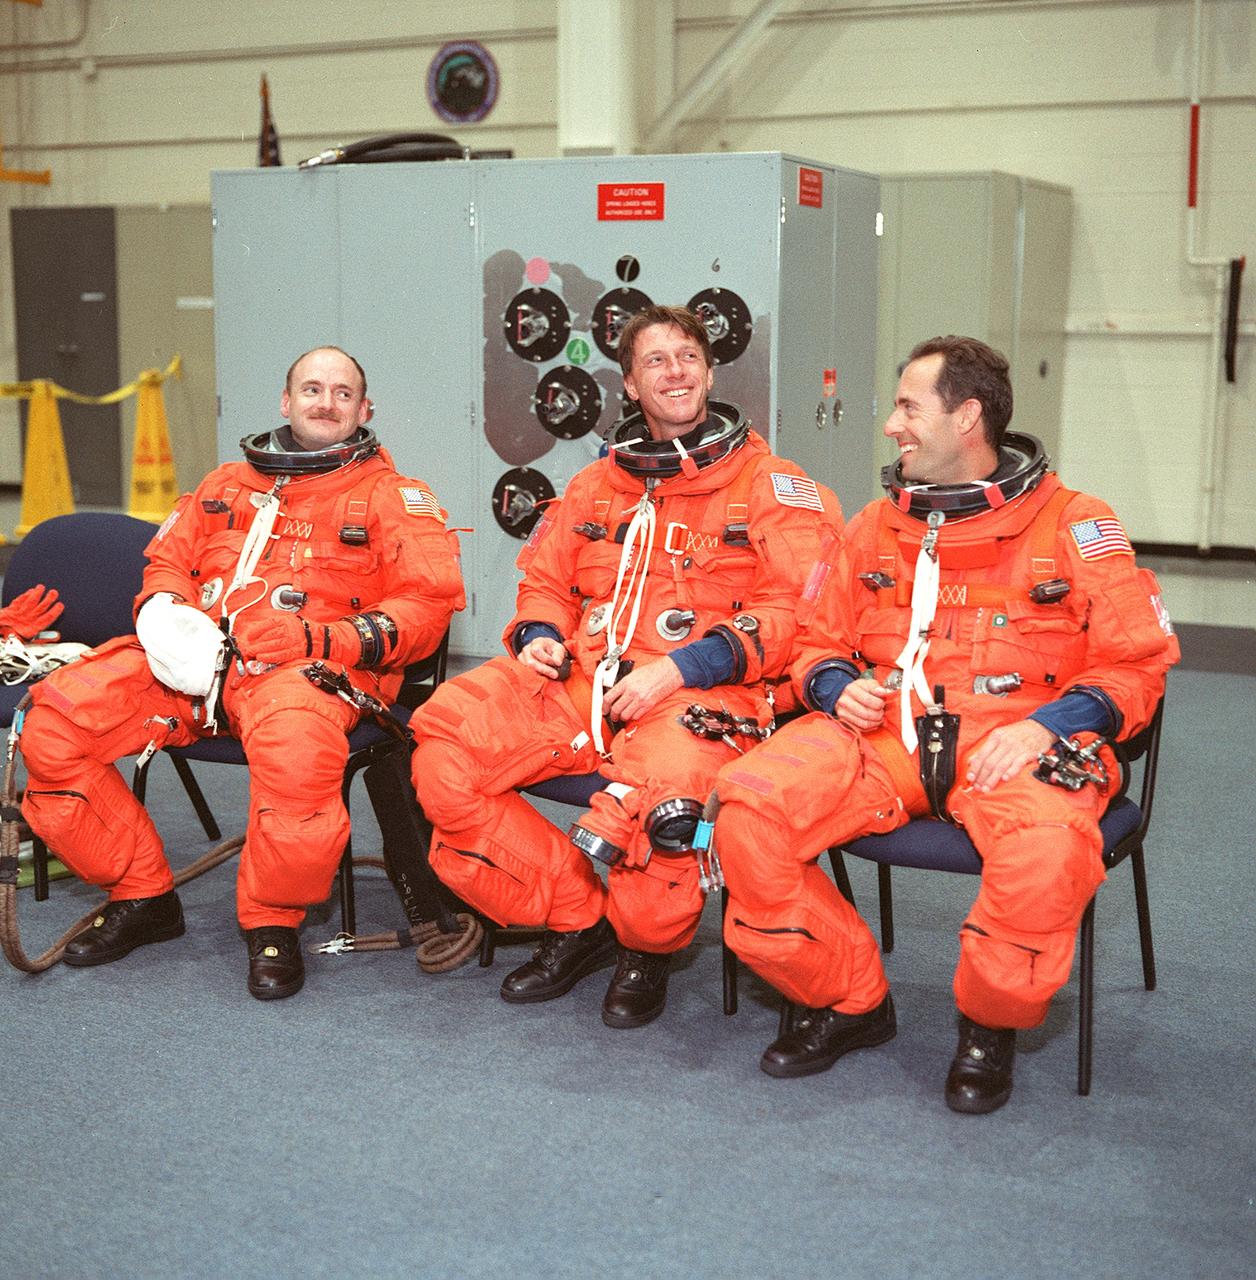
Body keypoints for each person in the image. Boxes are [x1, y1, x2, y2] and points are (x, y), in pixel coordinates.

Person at [711, 335, 1178, 1113]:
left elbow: (1137, 665)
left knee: (1045, 851)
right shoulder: (874, 526)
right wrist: (834, 686)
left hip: (1015, 745)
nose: (892, 426)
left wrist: (1050, 728)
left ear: (966, 417)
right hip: (884, 739)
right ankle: (850, 998)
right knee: (747, 810)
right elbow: (816, 640)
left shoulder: (1073, 524)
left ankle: (989, 1026)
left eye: (907, 407)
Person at [411, 305, 843, 1028]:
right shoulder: (593, 486)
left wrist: (681, 670)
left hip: (705, 693)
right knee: (446, 748)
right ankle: (578, 920)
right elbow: (543, 582)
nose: (674, 372)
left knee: (667, 807)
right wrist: (541, 634)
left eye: (686, 358)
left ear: (709, 371)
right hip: (583, 681)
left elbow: (798, 615)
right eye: (655, 361)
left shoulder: (773, 487)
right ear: (630, 385)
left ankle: (645, 948)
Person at [20, 347, 464, 1000]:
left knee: (296, 759)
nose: (325, 402)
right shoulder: (226, 484)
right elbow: (167, 560)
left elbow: (426, 609)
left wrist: (315, 637)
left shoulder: (394, 497)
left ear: (365, 411)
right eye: (311, 389)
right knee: (53, 724)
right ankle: (142, 894)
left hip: (310, 672)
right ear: (285, 402)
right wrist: (166, 613)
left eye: (343, 393)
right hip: (195, 666)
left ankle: (272, 922)